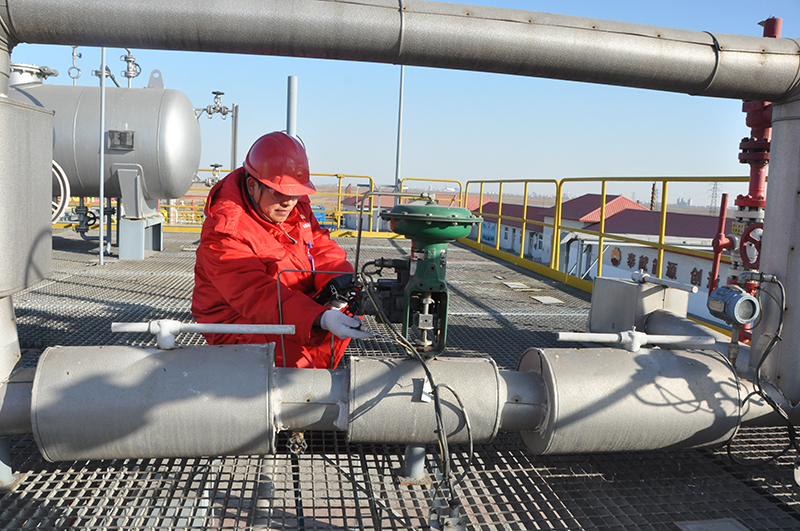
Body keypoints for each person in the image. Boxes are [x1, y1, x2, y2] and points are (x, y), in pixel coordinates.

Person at [191, 131, 370, 368]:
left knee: (344, 319)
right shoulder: (225, 231)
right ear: (253, 186)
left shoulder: (292, 205)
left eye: (295, 194)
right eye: (280, 193)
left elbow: (319, 246)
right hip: (239, 321)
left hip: (292, 306)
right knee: (295, 363)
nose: (289, 202)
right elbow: (256, 294)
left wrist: (338, 281)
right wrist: (318, 317)